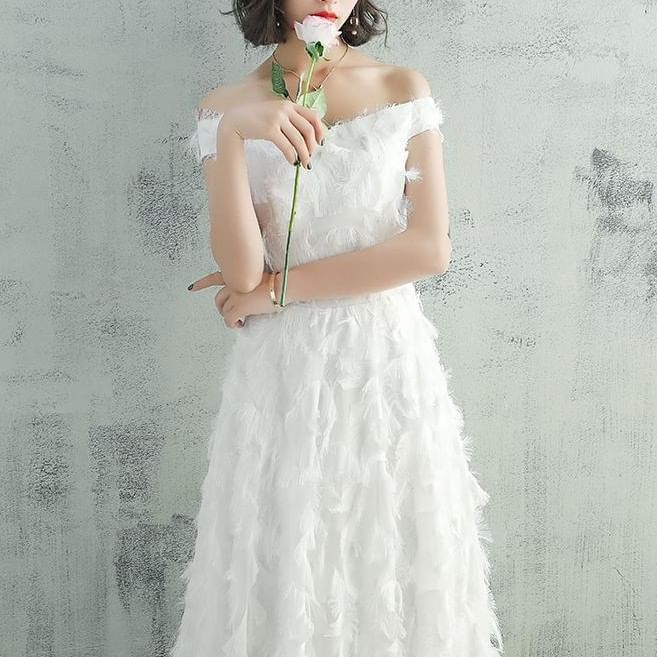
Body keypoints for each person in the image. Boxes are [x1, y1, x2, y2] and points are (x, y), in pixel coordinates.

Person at [171, 1, 504, 656]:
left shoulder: (400, 86)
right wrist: (234, 135)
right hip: (279, 381)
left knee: (393, 567)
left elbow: (428, 249)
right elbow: (241, 271)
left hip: (386, 369)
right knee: (282, 569)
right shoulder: (225, 106)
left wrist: (277, 290)